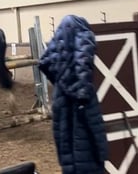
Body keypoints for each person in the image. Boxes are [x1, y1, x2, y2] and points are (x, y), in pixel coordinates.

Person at [39, 15, 108, 174]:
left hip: (61, 100)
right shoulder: (84, 34)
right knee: (88, 150)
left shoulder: (59, 92)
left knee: (67, 148)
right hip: (81, 102)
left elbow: (44, 62)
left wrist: (59, 81)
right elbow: (83, 61)